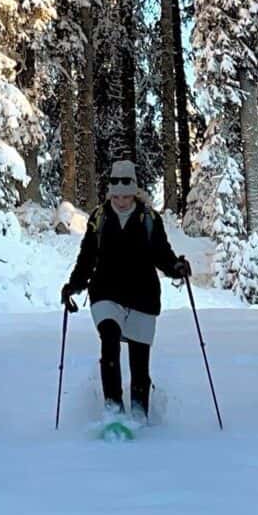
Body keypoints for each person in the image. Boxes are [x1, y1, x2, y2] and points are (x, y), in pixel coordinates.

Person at [61, 158, 191, 423]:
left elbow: (161, 254)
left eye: (125, 195)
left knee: (139, 360)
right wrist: (74, 285)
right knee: (109, 338)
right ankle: (113, 407)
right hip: (105, 291)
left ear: (134, 192)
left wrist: (176, 267)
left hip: (142, 295)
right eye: (116, 195)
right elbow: (87, 257)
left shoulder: (149, 219)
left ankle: (140, 410)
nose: (120, 201)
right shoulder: (99, 217)